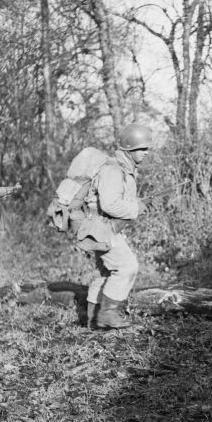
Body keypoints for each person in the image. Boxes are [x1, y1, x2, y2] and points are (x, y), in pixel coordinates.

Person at [83, 123, 152, 329]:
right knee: (127, 267)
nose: (146, 153)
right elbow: (109, 204)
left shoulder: (123, 168)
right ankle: (108, 315)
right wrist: (136, 208)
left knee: (105, 273)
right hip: (101, 227)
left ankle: (92, 321)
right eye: (142, 148)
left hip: (100, 227)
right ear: (129, 148)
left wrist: (139, 204)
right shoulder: (114, 170)